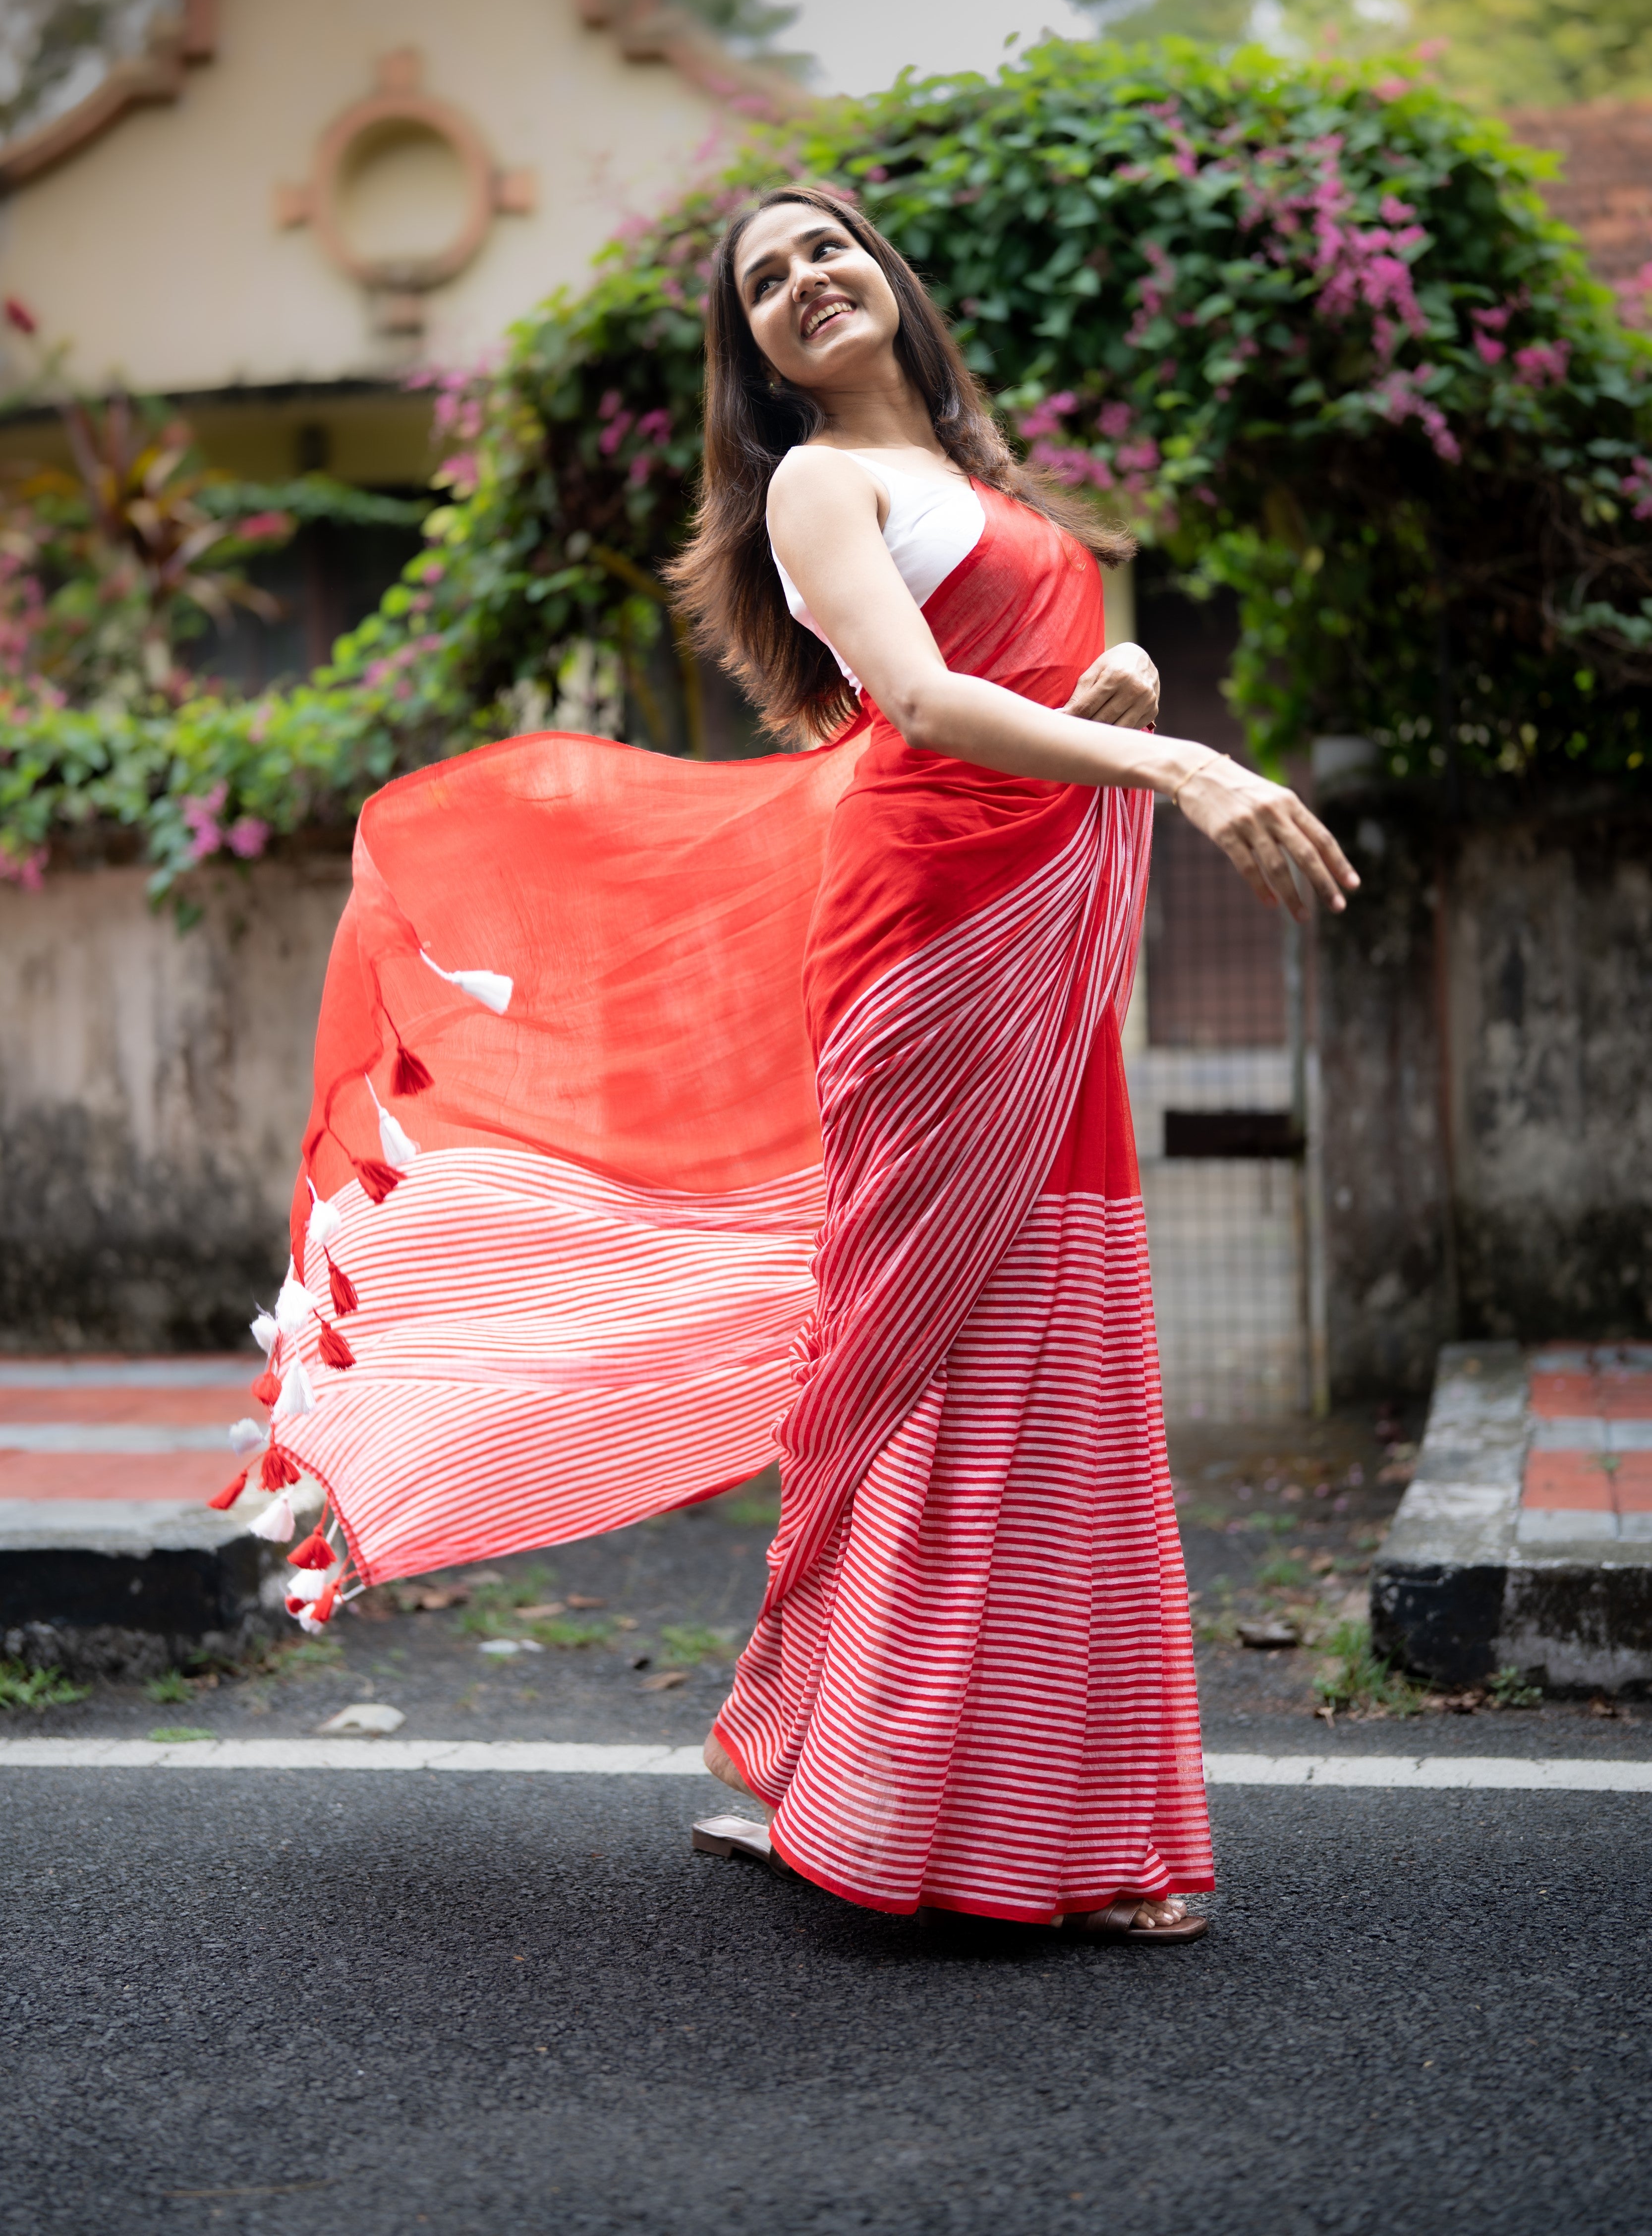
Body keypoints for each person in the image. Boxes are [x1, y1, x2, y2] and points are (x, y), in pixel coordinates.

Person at [250, 185, 1355, 1949]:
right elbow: (917, 706)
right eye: (764, 282)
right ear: (757, 356)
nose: (802, 281)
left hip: (1030, 941)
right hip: (925, 943)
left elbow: (1023, 694)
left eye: (823, 248)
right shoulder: (816, 484)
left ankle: (1009, 1812)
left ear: (887, 274)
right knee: (936, 1363)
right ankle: (900, 1802)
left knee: (1055, 1357)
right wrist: (1192, 768)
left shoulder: (993, 493)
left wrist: (1126, 680)